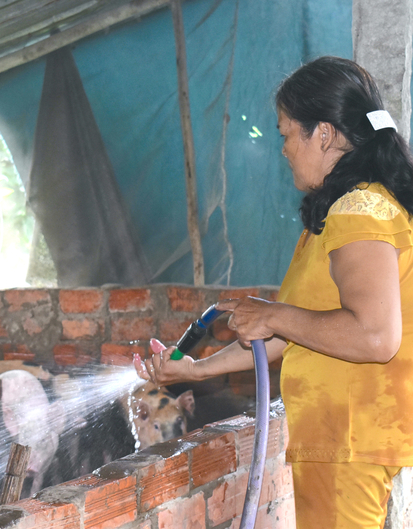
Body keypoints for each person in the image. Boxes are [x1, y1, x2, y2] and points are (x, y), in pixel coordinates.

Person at [133, 56, 413, 529]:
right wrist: (196, 370)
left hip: (345, 435)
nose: (283, 149)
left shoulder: (357, 210)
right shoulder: (345, 212)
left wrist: (274, 313)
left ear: (322, 134)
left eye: (286, 134)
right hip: (340, 435)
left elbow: (374, 336)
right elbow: (300, 332)